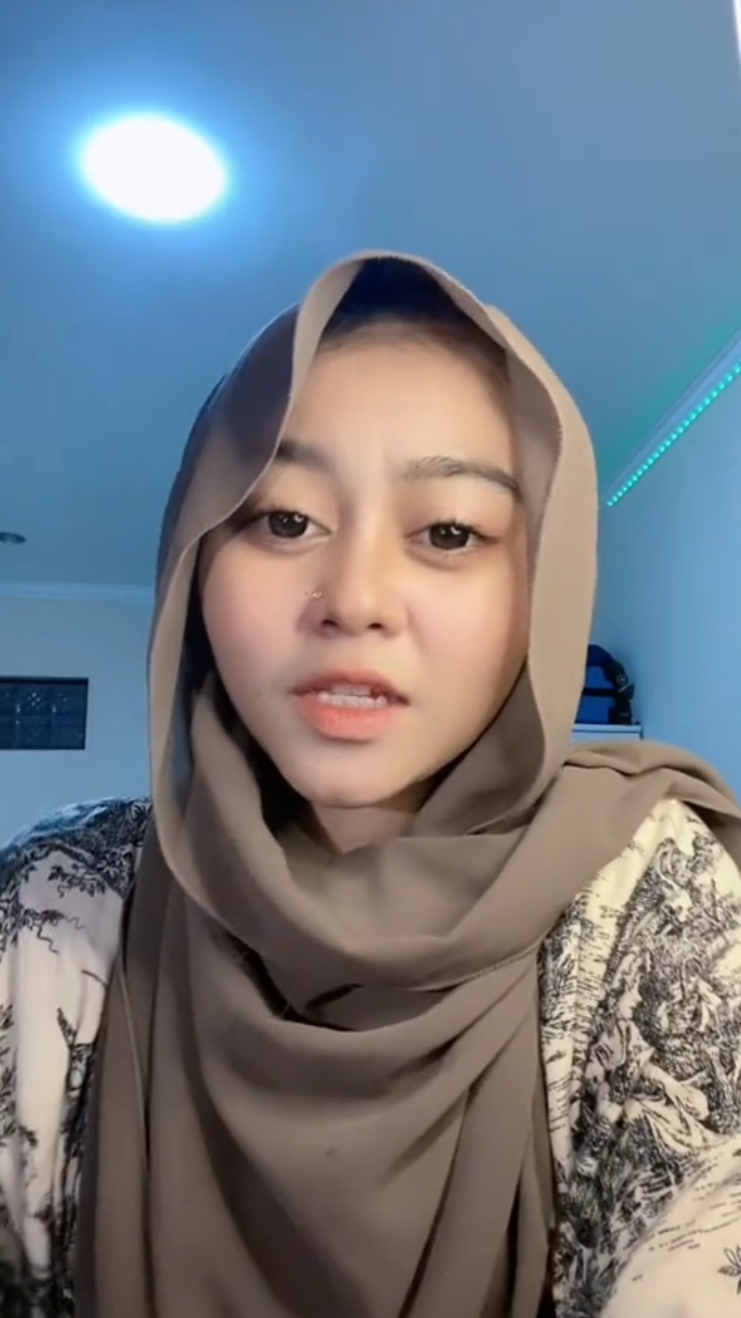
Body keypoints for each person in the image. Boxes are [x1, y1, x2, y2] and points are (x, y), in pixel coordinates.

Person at [1, 253, 741, 1318]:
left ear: (544, 587)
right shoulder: (57, 905)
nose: (353, 599)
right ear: (195, 563)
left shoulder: (653, 899)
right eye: (283, 519)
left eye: (449, 532)